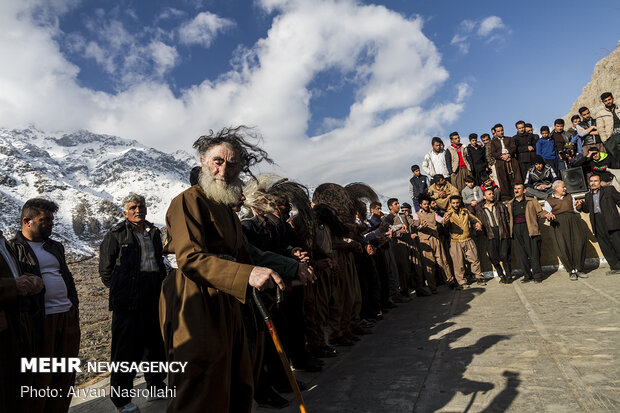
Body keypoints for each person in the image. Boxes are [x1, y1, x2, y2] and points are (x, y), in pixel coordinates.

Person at [160, 126, 288, 413]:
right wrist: (247, 275)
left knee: (237, 377)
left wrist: (267, 275)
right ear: (204, 162)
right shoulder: (188, 200)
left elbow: (242, 254)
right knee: (201, 382)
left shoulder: (228, 209)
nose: (224, 169)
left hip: (229, 300)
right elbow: (190, 258)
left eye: (233, 164)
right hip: (195, 300)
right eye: (218, 161)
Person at [99, 194, 168, 413]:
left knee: (156, 344)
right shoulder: (116, 235)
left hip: (154, 294)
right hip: (127, 301)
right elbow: (106, 270)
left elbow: (158, 260)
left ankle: (156, 385)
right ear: (125, 212)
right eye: (133, 207)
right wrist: (123, 290)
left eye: (141, 206)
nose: (138, 210)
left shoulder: (154, 232)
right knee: (125, 350)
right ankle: (122, 400)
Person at [11, 198, 80, 413]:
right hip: (39, 321)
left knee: (65, 376)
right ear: (27, 221)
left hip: (66, 316)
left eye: (51, 219)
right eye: (44, 220)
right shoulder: (13, 249)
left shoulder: (54, 246)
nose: (50, 224)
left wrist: (73, 306)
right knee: (39, 379)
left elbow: (65, 277)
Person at [0, 230, 44, 413]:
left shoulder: (3, 241)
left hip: (15, 326)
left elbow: (11, 272)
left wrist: (31, 280)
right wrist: (13, 286)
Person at [576, 174, 620, 275]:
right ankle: (615, 267)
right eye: (591, 181)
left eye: (595, 181)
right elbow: (586, 209)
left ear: (600, 182)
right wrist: (580, 206)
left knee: (618, 243)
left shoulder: (609, 190)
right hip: (597, 221)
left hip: (611, 220)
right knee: (605, 246)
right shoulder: (588, 195)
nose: (593, 183)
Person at [544, 181, 588, 281]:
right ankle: (571, 270)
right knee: (563, 247)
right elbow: (547, 215)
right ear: (556, 188)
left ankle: (579, 269)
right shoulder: (548, 200)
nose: (565, 189)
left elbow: (576, 210)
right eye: (563, 187)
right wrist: (549, 217)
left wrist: (578, 206)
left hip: (573, 221)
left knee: (579, 242)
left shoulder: (569, 196)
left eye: (565, 187)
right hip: (558, 224)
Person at [506, 184, 547, 283]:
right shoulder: (510, 203)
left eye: (518, 189)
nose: (516, 190)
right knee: (521, 255)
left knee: (534, 254)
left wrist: (547, 214)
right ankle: (527, 275)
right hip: (516, 230)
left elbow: (540, 212)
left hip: (529, 228)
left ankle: (537, 276)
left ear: (524, 191)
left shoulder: (532, 201)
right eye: (515, 189)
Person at [411, 194, 453, 289]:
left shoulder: (433, 214)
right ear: (420, 205)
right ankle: (432, 286)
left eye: (427, 204)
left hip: (435, 239)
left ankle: (450, 281)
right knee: (429, 264)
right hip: (425, 242)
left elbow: (441, 220)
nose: (426, 205)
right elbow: (416, 226)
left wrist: (445, 220)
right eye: (424, 204)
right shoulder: (416, 215)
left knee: (443, 261)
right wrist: (421, 226)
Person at [443, 195, 485, 289]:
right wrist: (445, 222)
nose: (456, 204)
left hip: (467, 239)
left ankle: (479, 277)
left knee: (474, 259)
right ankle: (462, 281)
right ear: (450, 203)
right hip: (455, 241)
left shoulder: (465, 211)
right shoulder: (448, 214)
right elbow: (444, 225)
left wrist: (478, 224)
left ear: (460, 202)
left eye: (457, 202)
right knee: (458, 263)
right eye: (453, 203)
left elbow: (475, 219)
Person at [475, 189, 512, 284]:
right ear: (484, 197)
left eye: (492, 194)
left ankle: (508, 275)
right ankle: (501, 274)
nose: (492, 195)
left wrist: (509, 232)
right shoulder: (480, 210)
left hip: (502, 232)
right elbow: (478, 223)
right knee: (492, 256)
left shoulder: (500, 206)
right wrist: (478, 226)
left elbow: (507, 219)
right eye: (489, 194)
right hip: (489, 234)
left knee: (504, 255)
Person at [490, 123, 522, 201]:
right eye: (498, 131)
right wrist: (502, 156)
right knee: (503, 179)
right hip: (500, 163)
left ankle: (518, 195)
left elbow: (513, 147)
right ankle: (506, 198)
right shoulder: (493, 142)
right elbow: (493, 153)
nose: (501, 132)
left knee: (515, 178)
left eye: (502, 130)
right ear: (495, 132)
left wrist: (508, 155)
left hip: (511, 161)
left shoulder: (509, 139)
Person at [596, 92, 620, 158]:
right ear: (603, 102)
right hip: (611, 139)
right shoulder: (600, 113)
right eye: (605, 101)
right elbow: (600, 128)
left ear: (613, 99)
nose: (608, 102)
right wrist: (605, 141)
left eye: (609, 99)